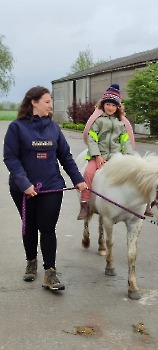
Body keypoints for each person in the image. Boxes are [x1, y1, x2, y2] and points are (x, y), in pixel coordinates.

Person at [3, 86, 87, 291]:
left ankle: (50, 272)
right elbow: (11, 158)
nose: (51, 105)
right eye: (47, 101)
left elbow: (65, 156)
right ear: (34, 102)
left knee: (47, 228)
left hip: (51, 186)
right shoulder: (16, 127)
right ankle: (31, 261)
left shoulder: (53, 128)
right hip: (24, 189)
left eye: (51, 102)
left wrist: (78, 180)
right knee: (29, 226)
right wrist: (24, 184)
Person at [77, 83, 134, 220]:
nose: (110, 107)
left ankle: (145, 203)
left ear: (118, 107)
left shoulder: (121, 123)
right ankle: (85, 204)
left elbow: (125, 140)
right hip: (99, 156)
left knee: (133, 173)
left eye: (114, 105)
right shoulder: (98, 121)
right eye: (108, 104)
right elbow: (92, 139)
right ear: (103, 105)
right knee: (88, 173)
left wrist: (127, 153)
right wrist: (97, 156)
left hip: (116, 156)